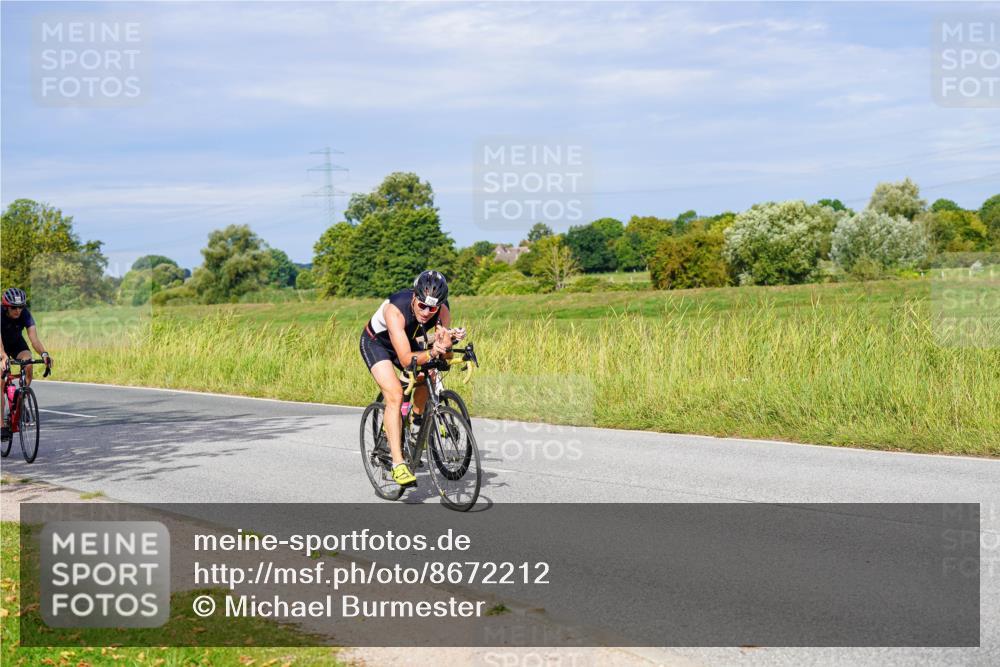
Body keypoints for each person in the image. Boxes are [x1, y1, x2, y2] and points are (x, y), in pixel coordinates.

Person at [359, 270, 462, 489]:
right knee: (395, 395)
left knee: (428, 375)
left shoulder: (442, 310)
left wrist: (447, 343)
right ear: (414, 297)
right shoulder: (395, 309)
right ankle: (398, 464)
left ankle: (415, 426)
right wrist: (433, 352)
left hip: (408, 341)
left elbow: (445, 353)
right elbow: (406, 359)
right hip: (378, 344)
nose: (426, 312)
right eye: (422, 305)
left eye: (432, 308)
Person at [1, 288, 52, 441]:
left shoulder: (25, 314)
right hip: (0, 345)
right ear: (6, 307)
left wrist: (44, 354)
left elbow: (34, 339)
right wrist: (3, 357)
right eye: (14, 307)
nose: (18, 310)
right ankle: (1, 426)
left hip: (16, 344)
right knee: (0, 379)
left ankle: (20, 399)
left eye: (21, 307)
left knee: (28, 362)